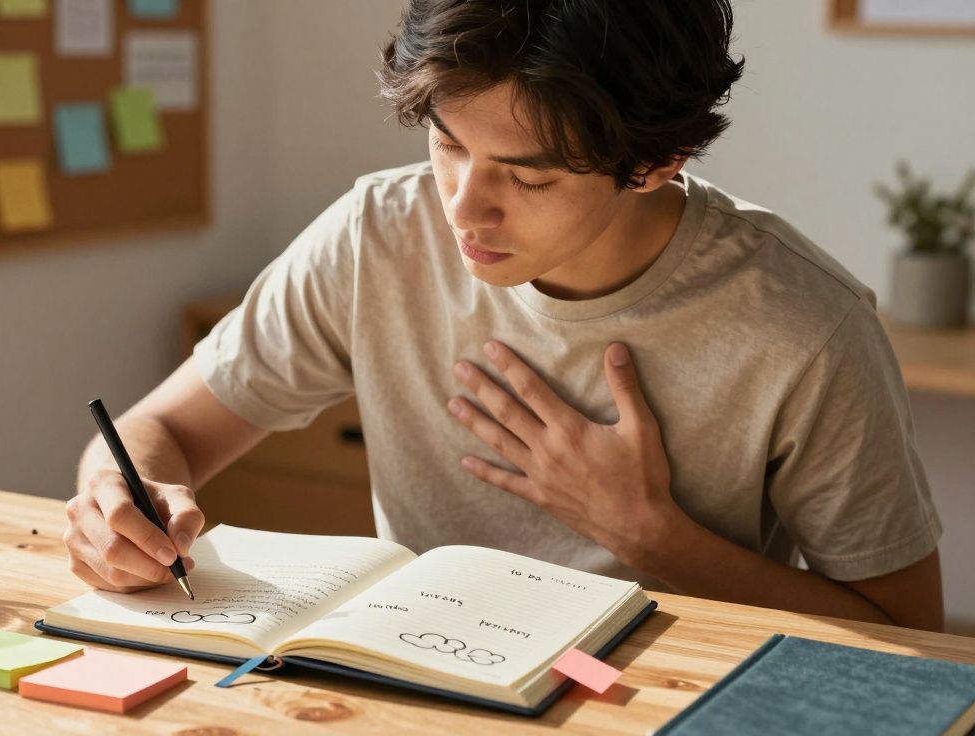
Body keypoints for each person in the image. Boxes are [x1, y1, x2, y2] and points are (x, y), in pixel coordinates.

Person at [65, 0, 945, 631]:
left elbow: (915, 638)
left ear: (655, 161)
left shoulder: (804, 325)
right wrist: (118, 498)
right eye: (447, 145)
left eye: (529, 178)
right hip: (419, 680)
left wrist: (655, 538)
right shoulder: (381, 232)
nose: (462, 208)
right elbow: (156, 432)